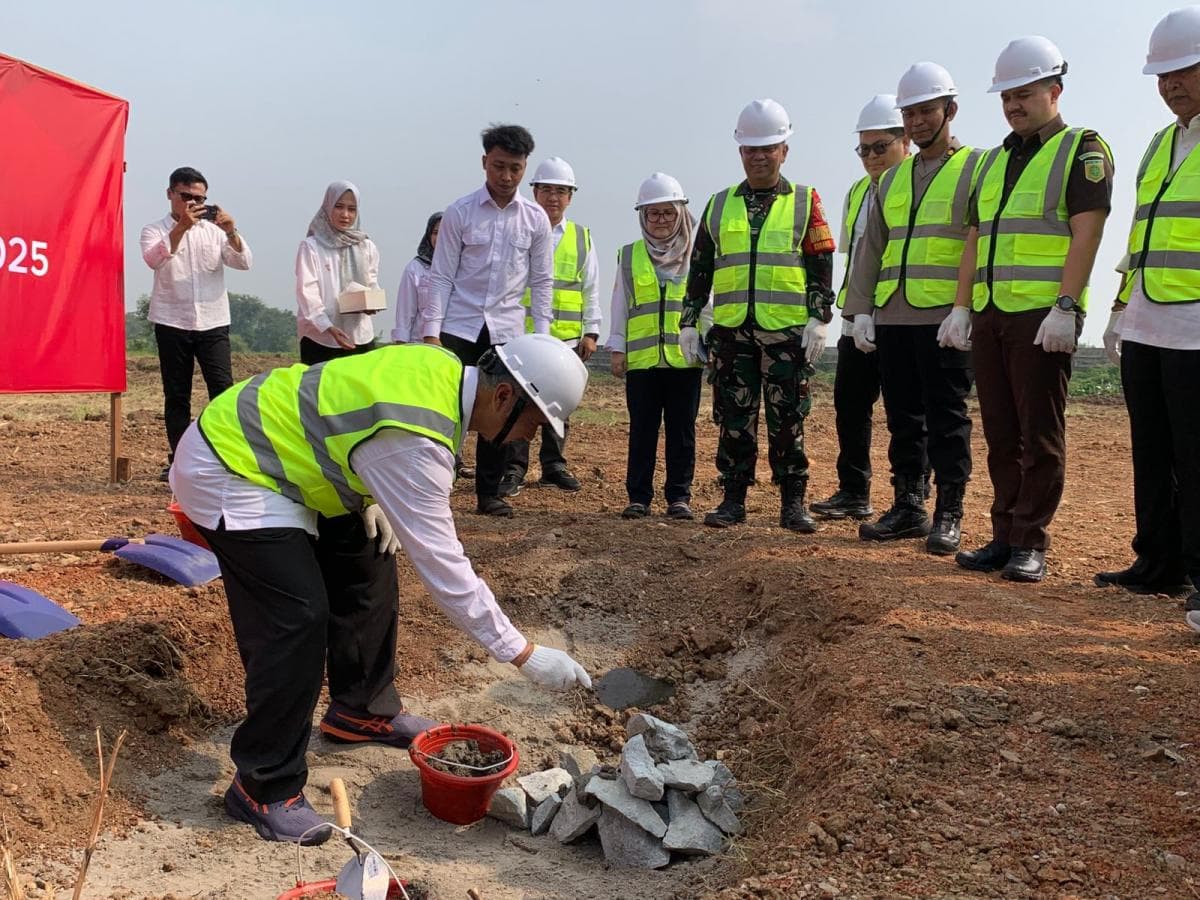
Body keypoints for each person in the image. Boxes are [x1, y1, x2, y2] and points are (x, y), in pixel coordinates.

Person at [169, 334, 592, 845]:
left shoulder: (441, 367)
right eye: (535, 423)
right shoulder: (416, 442)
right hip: (235, 463)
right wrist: (522, 653)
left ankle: (360, 710)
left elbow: (352, 417)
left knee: (369, 557)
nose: (530, 436)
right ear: (504, 396)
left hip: (291, 456)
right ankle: (263, 785)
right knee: (297, 617)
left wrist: (368, 490)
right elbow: (444, 568)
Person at [947, 37, 1113, 583]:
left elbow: (1087, 232)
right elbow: (975, 237)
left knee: (1039, 433)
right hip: (992, 313)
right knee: (1000, 431)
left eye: (1024, 93)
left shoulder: (1080, 149)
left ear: (1054, 90)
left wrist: (1066, 306)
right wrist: (961, 306)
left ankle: (1030, 541)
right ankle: (1002, 535)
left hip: (1042, 317)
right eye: (1006, 96)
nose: (1014, 105)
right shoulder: (993, 161)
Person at [842, 63, 981, 556]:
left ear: (950, 110)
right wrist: (861, 309)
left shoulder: (976, 168)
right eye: (911, 113)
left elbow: (979, 239)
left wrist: (965, 308)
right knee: (903, 417)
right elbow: (872, 248)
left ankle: (949, 511)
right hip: (894, 315)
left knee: (947, 417)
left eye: (927, 110)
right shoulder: (893, 180)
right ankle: (907, 505)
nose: (919, 121)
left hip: (944, 318)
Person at [683, 99, 836, 533]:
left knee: (788, 417)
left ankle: (793, 502)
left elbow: (821, 262)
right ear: (740, 152)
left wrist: (819, 317)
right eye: (751, 148)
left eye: (769, 147)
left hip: (786, 332)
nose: (760, 155)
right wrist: (689, 322)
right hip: (731, 333)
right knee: (734, 417)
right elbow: (700, 268)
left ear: (784, 149)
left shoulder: (806, 201)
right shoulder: (717, 205)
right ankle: (733, 500)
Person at [1094, 7, 1200, 619]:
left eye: (1183, 71)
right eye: (1162, 75)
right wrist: (1118, 306)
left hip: (1195, 329)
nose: (1170, 85)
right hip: (1148, 320)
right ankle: (1157, 559)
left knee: (1196, 453)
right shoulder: (1162, 142)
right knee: (1151, 449)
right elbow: (1142, 235)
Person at [422, 124, 554, 517]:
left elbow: (542, 280)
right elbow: (442, 275)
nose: (506, 176)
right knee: (445, 411)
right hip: (459, 328)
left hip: (507, 334)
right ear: (484, 163)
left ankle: (488, 495)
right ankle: (433, 490)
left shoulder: (535, 220)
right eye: (498, 166)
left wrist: (543, 339)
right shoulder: (460, 213)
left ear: (525, 167)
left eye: (515, 168)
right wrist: (431, 333)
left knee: (500, 414)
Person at [811, 95, 918, 522]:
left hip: (900, 315)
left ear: (904, 141)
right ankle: (854, 491)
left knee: (904, 413)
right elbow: (856, 255)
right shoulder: (857, 192)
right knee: (850, 405)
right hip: (858, 317)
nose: (871, 157)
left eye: (880, 147)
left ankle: (909, 497)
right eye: (864, 149)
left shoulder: (916, 183)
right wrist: (853, 313)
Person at [140, 166, 251, 482]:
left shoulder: (214, 231)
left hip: (213, 322)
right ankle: (180, 463)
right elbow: (153, 259)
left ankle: (229, 458)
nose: (192, 204)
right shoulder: (154, 230)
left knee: (223, 392)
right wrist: (180, 229)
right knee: (177, 396)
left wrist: (231, 230)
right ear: (170, 194)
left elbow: (244, 262)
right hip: (171, 321)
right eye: (186, 196)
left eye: (199, 198)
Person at [502, 157, 601, 495]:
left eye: (561, 191)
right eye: (546, 190)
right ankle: (513, 469)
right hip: (523, 338)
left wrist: (591, 331)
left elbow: (591, 288)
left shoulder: (581, 237)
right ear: (534, 192)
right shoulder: (519, 228)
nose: (553, 197)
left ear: (570, 196)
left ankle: (554, 465)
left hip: (566, 338)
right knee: (518, 405)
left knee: (561, 401)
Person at [608, 173, 704, 520]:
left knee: (682, 432)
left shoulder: (698, 254)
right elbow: (620, 304)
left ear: (679, 213)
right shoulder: (630, 255)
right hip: (644, 361)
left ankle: (679, 497)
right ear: (642, 217)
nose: (660, 220)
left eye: (667, 212)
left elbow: (707, 304)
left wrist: (707, 345)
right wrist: (618, 348)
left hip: (684, 362)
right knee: (642, 431)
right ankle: (639, 498)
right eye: (653, 214)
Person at [295, 181, 383, 363]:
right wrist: (327, 326)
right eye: (339, 207)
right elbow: (307, 293)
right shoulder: (312, 246)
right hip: (321, 338)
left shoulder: (367, 246)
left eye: (352, 209)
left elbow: (372, 282)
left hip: (359, 335)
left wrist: (372, 302)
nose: (345, 215)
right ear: (327, 207)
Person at [391, 212, 442, 344]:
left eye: (445, 232)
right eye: (436, 232)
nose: (440, 237)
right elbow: (405, 314)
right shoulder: (415, 268)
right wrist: (401, 344)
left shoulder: (465, 268)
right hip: (420, 345)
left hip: (455, 346)